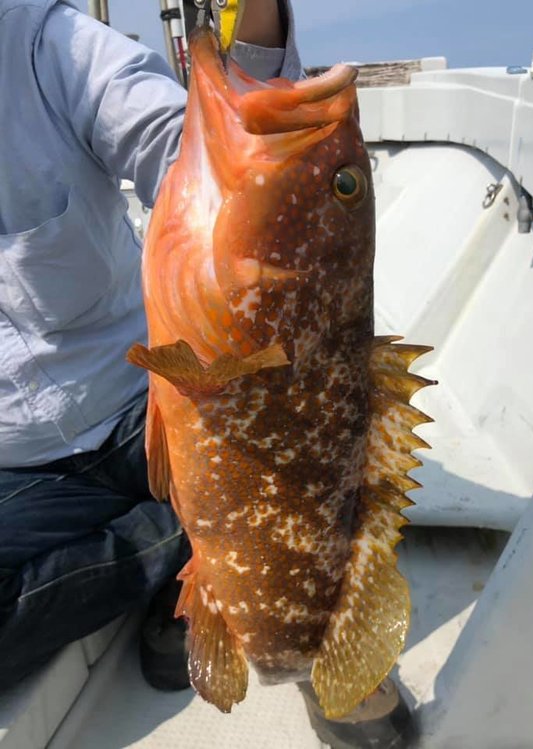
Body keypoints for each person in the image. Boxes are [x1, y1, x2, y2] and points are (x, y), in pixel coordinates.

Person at [0, 1, 412, 746]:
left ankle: (296, 617)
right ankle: (175, 548)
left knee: (299, 463)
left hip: (140, 392)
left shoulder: (41, 40)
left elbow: (184, 142)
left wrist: (251, 22)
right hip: (22, 462)